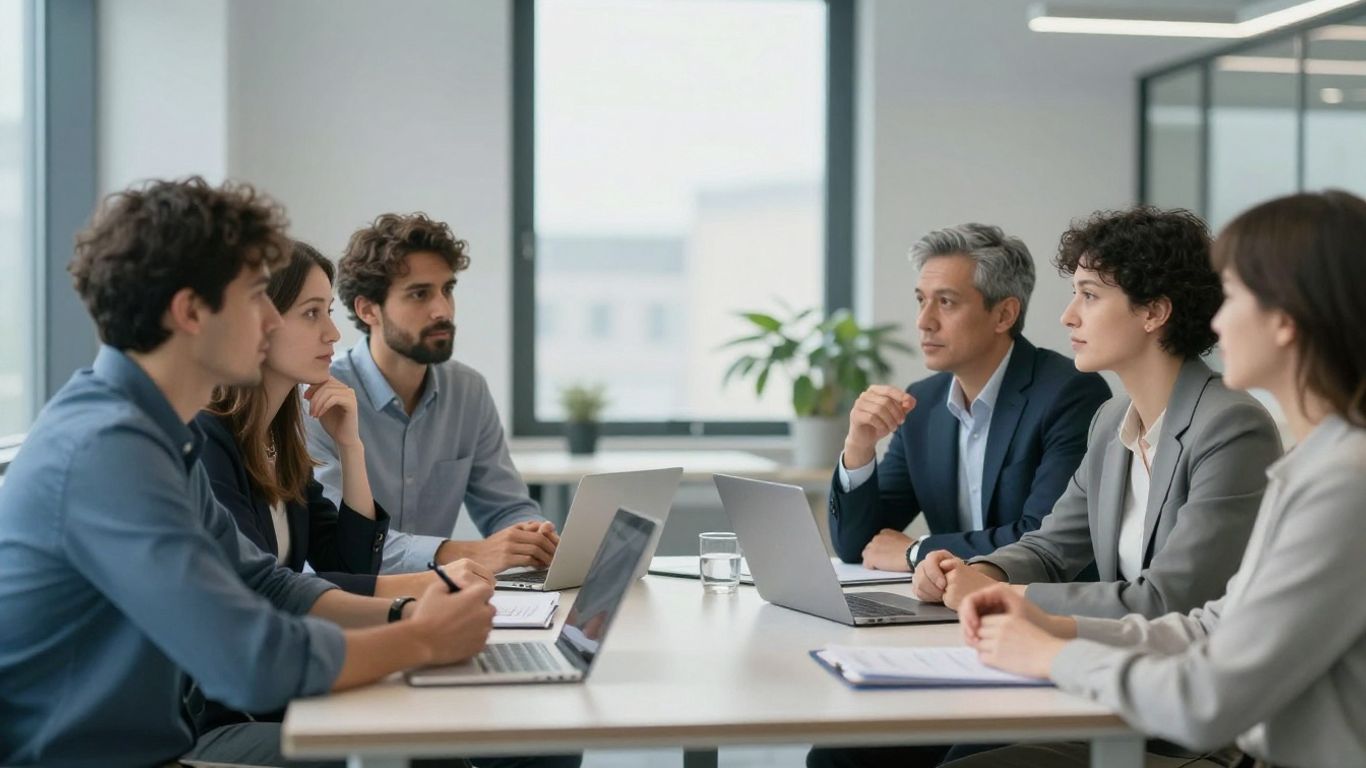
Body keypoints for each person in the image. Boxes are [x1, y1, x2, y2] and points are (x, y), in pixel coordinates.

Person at [0, 177, 493, 768]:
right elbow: (249, 662)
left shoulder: (154, 434)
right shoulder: (107, 451)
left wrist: (407, 613)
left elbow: (266, 584)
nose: (269, 321)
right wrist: (421, 639)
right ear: (190, 312)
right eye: (258, 296)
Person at [947, 190, 1366, 768]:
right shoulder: (1313, 463)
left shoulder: (1341, 479)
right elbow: (1210, 626)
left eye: (1236, 296)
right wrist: (1043, 622)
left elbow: (1207, 695)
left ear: (1288, 320)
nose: (1217, 319)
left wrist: (1049, 652)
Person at [914, 206, 1281, 622]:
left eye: (1089, 295)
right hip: (1123, 657)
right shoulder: (1111, 421)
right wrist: (976, 571)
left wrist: (1004, 594)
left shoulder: (1230, 427)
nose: (1068, 315)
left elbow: (1170, 599)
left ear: (1153, 312)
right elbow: (1050, 548)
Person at [197, 239, 484, 598]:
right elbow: (258, 589)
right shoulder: (207, 439)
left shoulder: (278, 441)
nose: (333, 334)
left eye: (328, 311)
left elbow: (352, 567)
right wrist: (430, 582)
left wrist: (351, 447)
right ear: (258, 322)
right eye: (311, 313)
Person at [829, 223, 1111, 574]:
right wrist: (858, 446)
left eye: (946, 302)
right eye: (921, 300)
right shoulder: (923, 402)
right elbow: (858, 547)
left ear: (1004, 314)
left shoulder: (1070, 393)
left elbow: (1041, 539)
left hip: (1037, 609)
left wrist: (917, 552)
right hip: (949, 610)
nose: (924, 321)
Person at [307, 213, 560, 574]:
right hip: (344, 606)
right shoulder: (319, 397)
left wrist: (534, 538)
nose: (442, 309)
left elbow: (506, 507)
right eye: (419, 294)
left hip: (437, 599)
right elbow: (336, 541)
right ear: (368, 310)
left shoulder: (468, 391)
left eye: (448, 290)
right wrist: (465, 553)